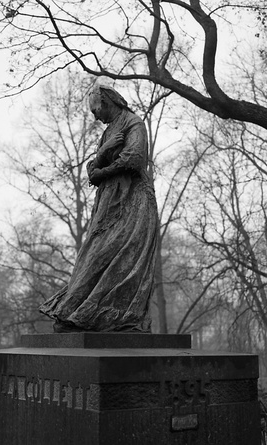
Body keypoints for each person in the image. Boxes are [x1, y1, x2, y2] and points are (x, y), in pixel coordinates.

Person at [39, 85, 159, 333]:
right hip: (108, 203)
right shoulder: (108, 133)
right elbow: (91, 171)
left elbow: (134, 159)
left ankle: (112, 317)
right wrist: (103, 153)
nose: (94, 116)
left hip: (133, 203)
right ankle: (75, 312)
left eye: (95, 110)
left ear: (107, 101)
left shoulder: (132, 123)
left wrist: (101, 169)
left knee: (118, 258)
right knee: (90, 256)